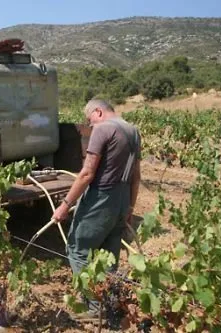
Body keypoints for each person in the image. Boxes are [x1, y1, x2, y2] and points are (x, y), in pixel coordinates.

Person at [52, 99, 141, 316]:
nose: (89, 124)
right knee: (109, 254)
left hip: (101, 197)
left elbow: (87, 173)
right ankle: (109, 302)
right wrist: (129, 207)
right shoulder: (133, 131)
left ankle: (94, 307)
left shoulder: (103, 130)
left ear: (98, 112)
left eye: (89, 119)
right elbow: (136, 176)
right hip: (121, 199)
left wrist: (65, 205)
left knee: (77, 248)